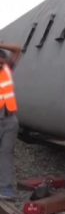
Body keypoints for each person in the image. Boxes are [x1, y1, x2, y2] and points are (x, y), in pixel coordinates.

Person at [0, 43, 22, 200]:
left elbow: (17, 49)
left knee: (6, 153)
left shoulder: (7, 70)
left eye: (2, 60)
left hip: (9, 119)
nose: (1, 63)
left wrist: (1, 44)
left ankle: (5, 187)